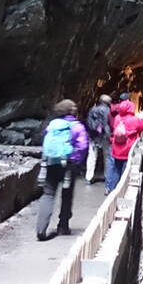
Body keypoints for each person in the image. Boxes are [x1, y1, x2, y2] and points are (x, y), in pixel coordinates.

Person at [36, 99, 88, 241]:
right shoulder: (76, 126)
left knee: (48, 194)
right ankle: (63, 226)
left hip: (51, 163)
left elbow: (45, 140)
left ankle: (41, 229)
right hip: (68, 165)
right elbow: (83, 146)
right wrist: (76, 161)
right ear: (73, 111)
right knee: (66, 195)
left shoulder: (52, 125)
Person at [109, 100, 143, 189]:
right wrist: (141, 118)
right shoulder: (134, 120)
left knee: (116, 170)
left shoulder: (117, 118)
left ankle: (111, 189)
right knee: (126, 171)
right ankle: (122, 190)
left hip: (116, 149)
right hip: (128, 149)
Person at [84, 94, 114, 190]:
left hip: (94, 137)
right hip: (105, 137)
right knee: (107, 157)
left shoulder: (92, 110)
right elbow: (111, 124)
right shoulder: (109, 111)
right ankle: (107, 176)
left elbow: (88, 122)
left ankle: (89, 177)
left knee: (92, 156)